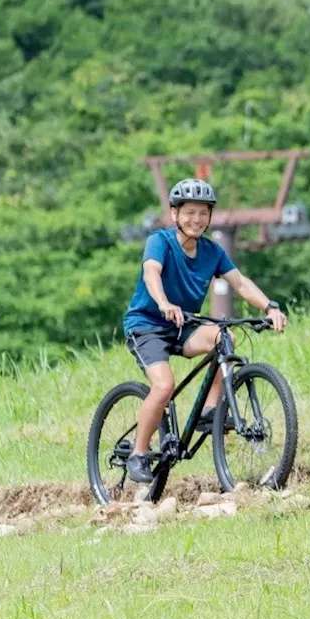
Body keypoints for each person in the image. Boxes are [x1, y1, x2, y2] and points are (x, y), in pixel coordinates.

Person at [121, 178, 286, 483]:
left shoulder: (212, 252)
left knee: (225, 336)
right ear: (175, 214)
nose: (196, 219)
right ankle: (139, 454)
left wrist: (269, 307)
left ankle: (210, 411)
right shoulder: (160, 241)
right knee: (163, 386)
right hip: (147, 325)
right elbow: (151, 273)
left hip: (184, 325)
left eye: (203, 213)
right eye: (189, 213)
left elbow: (240, 283)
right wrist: (163, 302)